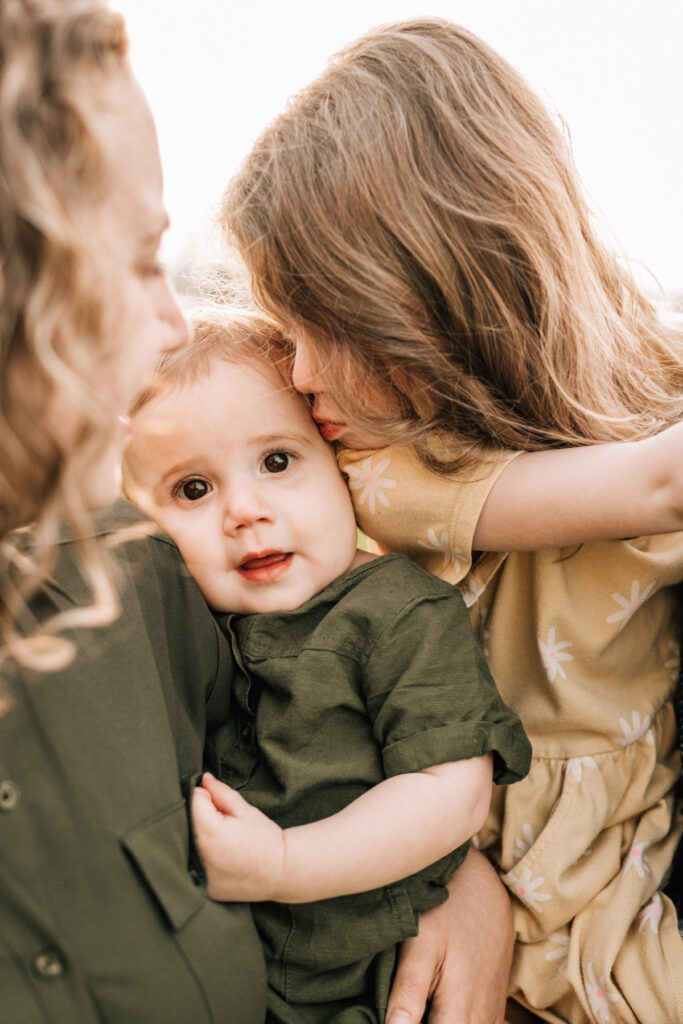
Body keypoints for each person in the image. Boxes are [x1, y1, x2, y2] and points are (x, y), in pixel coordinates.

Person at [0, 5, 522, 1022]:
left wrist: (446, 874)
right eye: (137, 258)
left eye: (280, 460)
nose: (168, 325)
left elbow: (379, 763)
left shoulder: (142, 585)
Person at [221, 17, 683, 1024]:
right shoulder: (388, 473)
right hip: (551, 921)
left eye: (318, 331)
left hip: (633, 873)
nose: (297, 378)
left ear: (420, 293)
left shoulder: (648, 387)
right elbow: (654, 486)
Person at [121, 308, 532, 1024]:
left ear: (343, 471)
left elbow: (449, 792)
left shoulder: (394, 610)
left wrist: (284, 861)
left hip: (378, 975)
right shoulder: (188, 628)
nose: (245, 510)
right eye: (193, 489)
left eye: (278, 461)